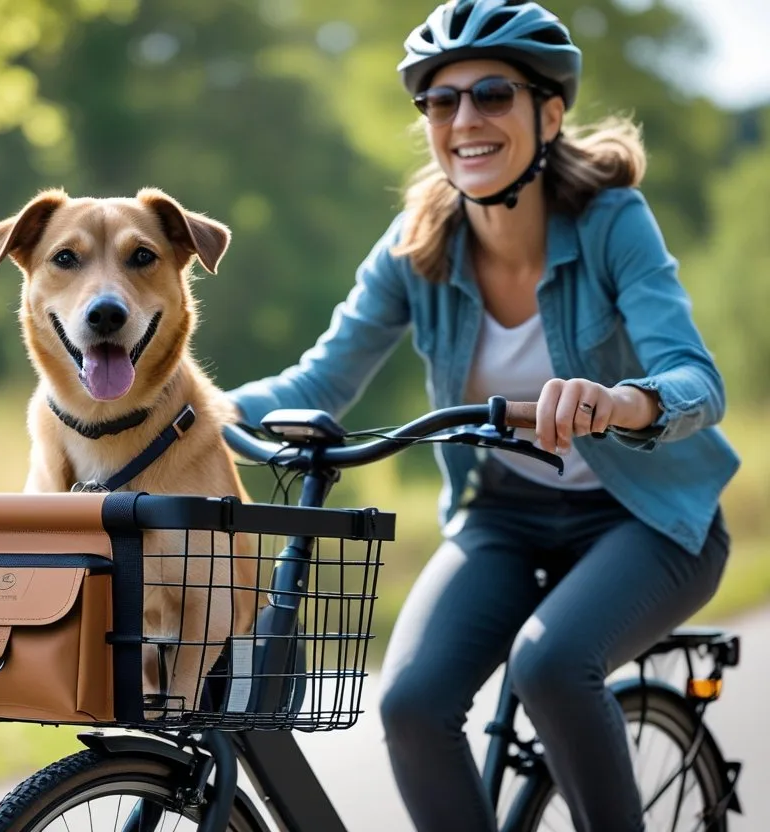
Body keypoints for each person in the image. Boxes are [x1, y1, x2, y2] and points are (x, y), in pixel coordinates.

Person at [224, 1, 739, 830]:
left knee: (552, 664)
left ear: (550, 111)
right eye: (439, 100)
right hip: (505, 514)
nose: (464, 119)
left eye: (492, 94)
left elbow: (695, 378)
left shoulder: (611, 223)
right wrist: (180, 411)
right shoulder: (416, 244)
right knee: (411, 703)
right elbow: (319, 380)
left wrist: (620, 401)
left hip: (646, 517)